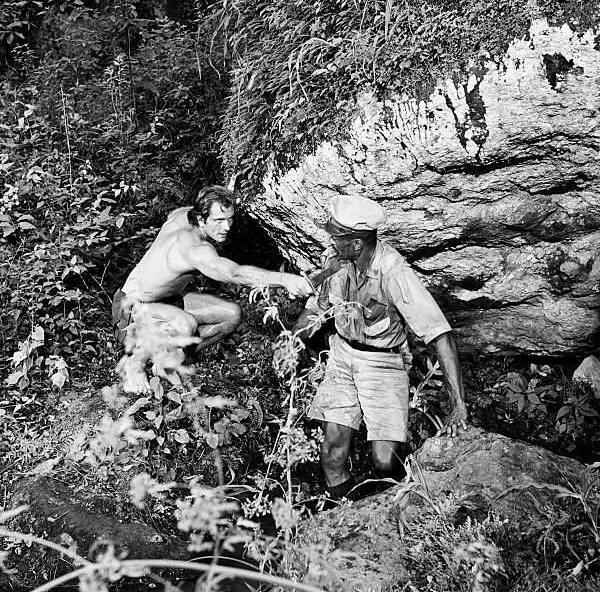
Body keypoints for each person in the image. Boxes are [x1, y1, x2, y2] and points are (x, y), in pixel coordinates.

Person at [293, 194, 468, 499]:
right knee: (332, 452)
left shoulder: (393, 272)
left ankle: (406, 501)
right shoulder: (333, 261)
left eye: (336, 237)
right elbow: (316, 308)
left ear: (357, 243)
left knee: (384, 462)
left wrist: (458, 405)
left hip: (384, 363)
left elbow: (441, 334)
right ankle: (343, 518)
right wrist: (292, 340)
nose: (330, 242)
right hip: (342, 355)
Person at [113, 185, 314, 393]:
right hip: (131, 309)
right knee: (185, 324)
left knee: (231, 315)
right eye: (218, 220)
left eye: (230, 219)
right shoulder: (195, 249)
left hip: (168, 300)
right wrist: (285, 279)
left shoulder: (183, 215)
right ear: (201, 219)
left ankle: (172, 361)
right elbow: (234, 273)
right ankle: (134, 363)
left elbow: (194, 207)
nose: (226, 227)